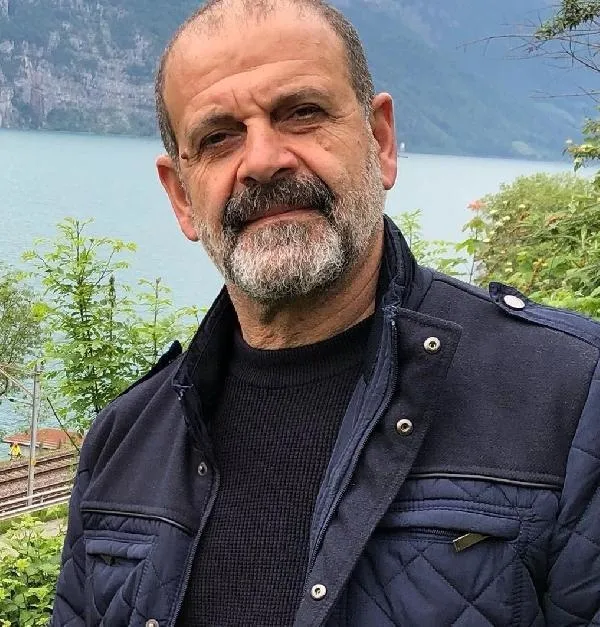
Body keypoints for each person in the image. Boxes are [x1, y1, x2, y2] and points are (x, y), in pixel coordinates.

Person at [52, 0, 600, 625]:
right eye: (218, 138)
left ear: (380, 140)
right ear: (181, 195)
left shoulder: (572, 397)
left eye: (302, 113)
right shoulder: (122, 443)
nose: (263, 161)